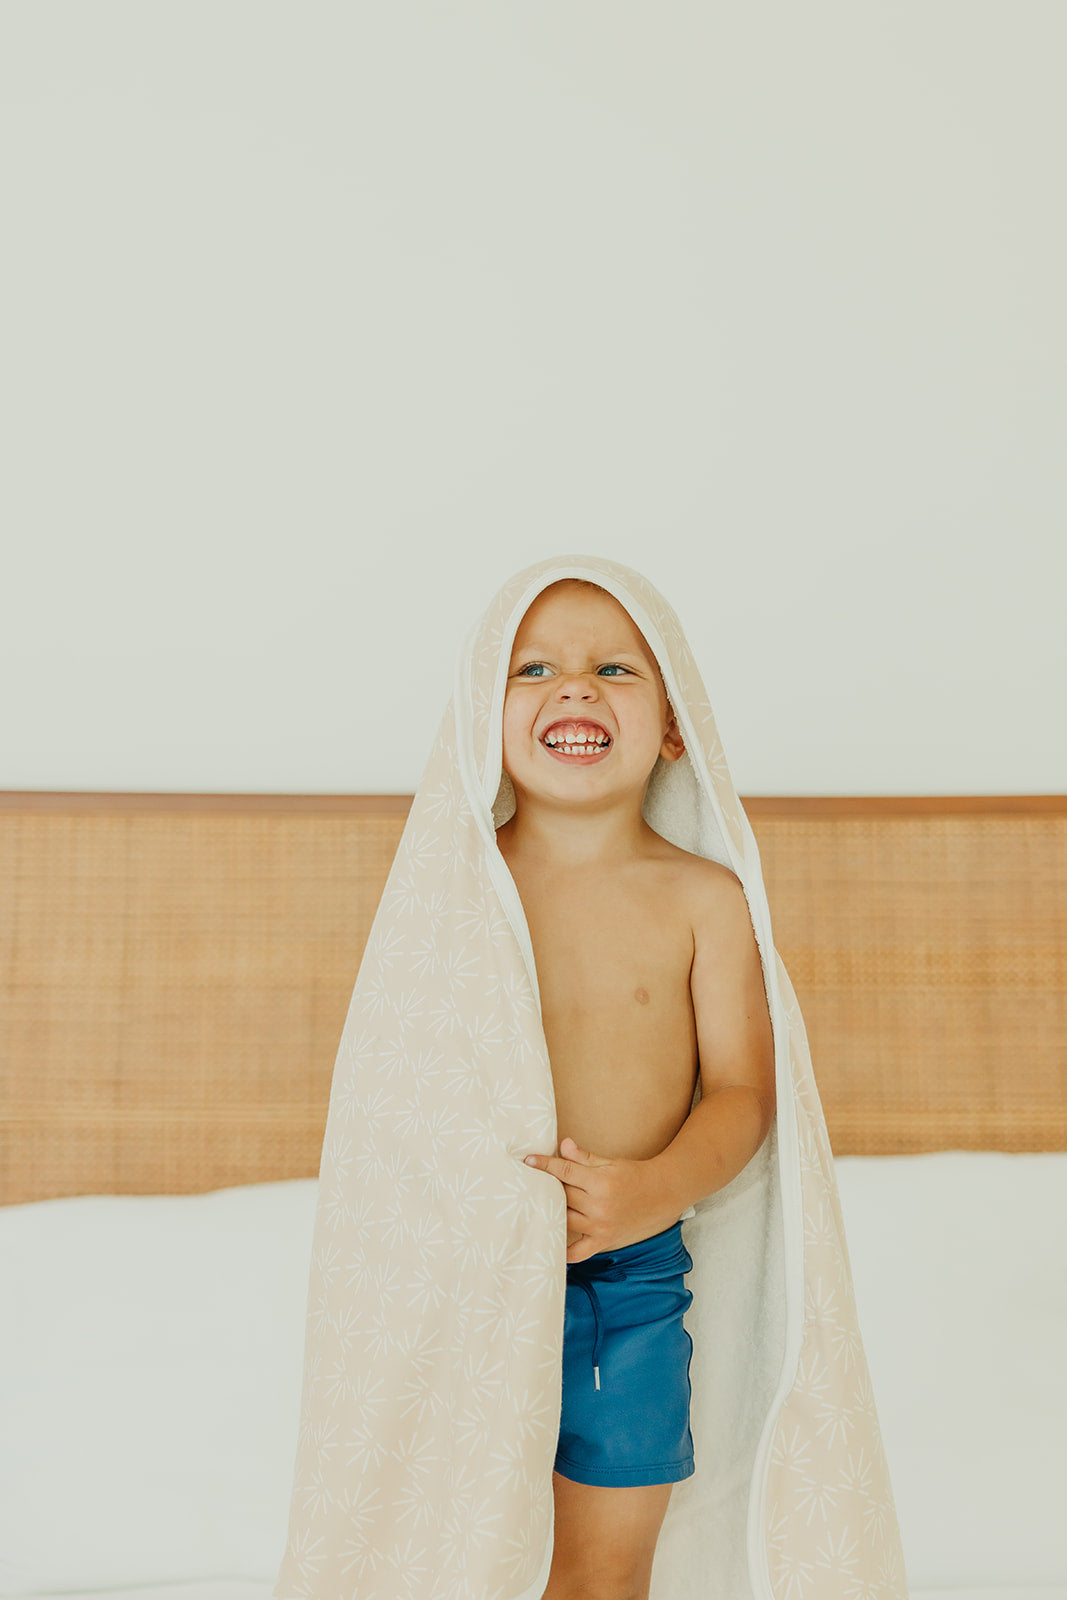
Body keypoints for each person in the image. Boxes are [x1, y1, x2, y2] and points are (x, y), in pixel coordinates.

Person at [494, 577, 776, 1600]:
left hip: (629, 1281)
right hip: (466, 1268)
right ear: (482, 716)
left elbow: (744, 1092)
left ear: (671, 726)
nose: (574, 686)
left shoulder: (702, 899)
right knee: (460, 1551)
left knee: (604, 1570)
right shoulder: (451, 889)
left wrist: (654, 1190)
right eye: (533, 667)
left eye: (613, 667)